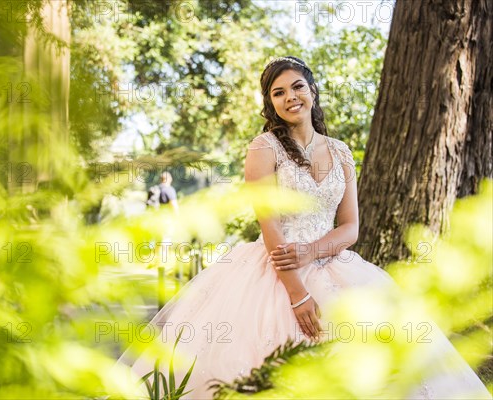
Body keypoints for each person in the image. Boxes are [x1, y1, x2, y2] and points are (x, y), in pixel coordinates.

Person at [115, 57, 491, 399]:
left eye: (297, 86)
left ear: (312, 91)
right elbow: (270, 225)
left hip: (335, 263)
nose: (290, 97)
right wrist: (297, 294)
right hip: (275, 272)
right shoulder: (263, 148)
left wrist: (313, 250)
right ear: (271, 104)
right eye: (278, 92)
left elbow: (350, 227)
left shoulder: (341, 152)